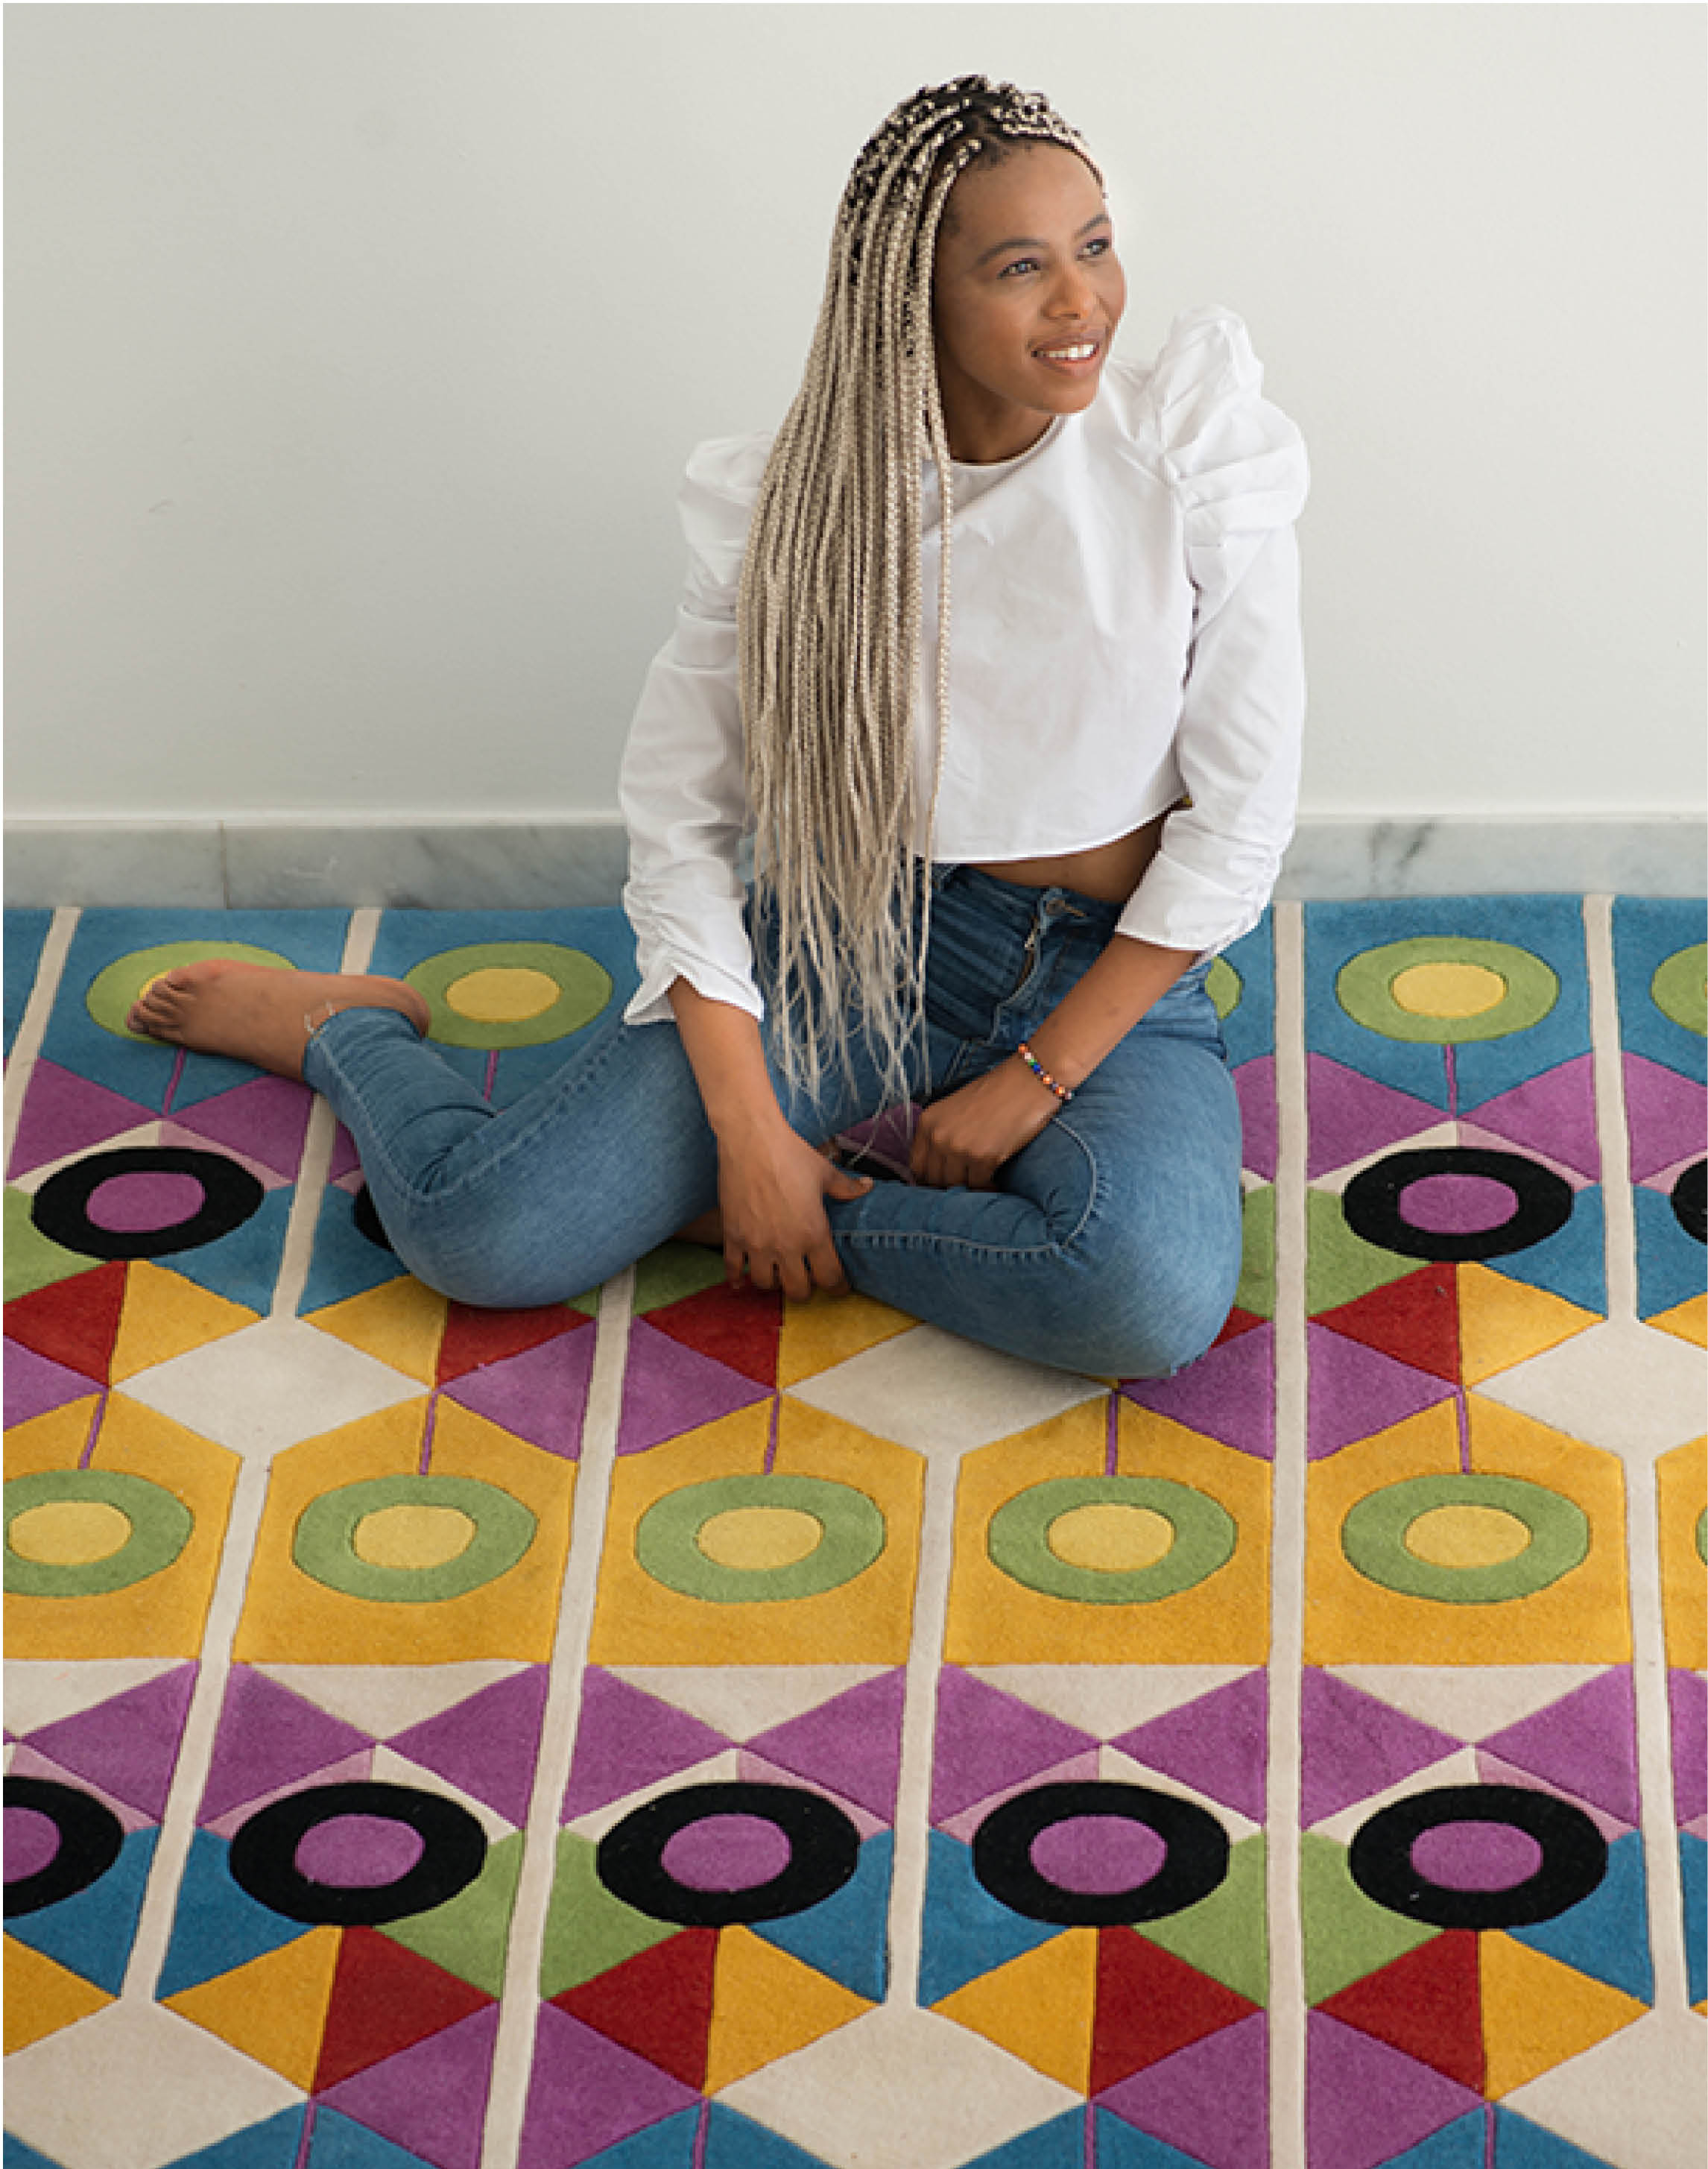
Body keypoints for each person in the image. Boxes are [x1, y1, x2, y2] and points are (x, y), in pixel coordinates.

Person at [127, 75, 1306, 1380]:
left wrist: (1038, 1075)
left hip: (1109, 970)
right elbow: (684, 822)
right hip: (863, 937)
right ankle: (342, 1031)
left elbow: (1242, 818)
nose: (1083, 300)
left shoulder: (1193, 458)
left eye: (1095, 246)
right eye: (1022, 267)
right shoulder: (790, 508)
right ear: (912, 294)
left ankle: (785, 1218)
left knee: (1141, 1300)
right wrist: (749, 1136)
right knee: (482, 1236)